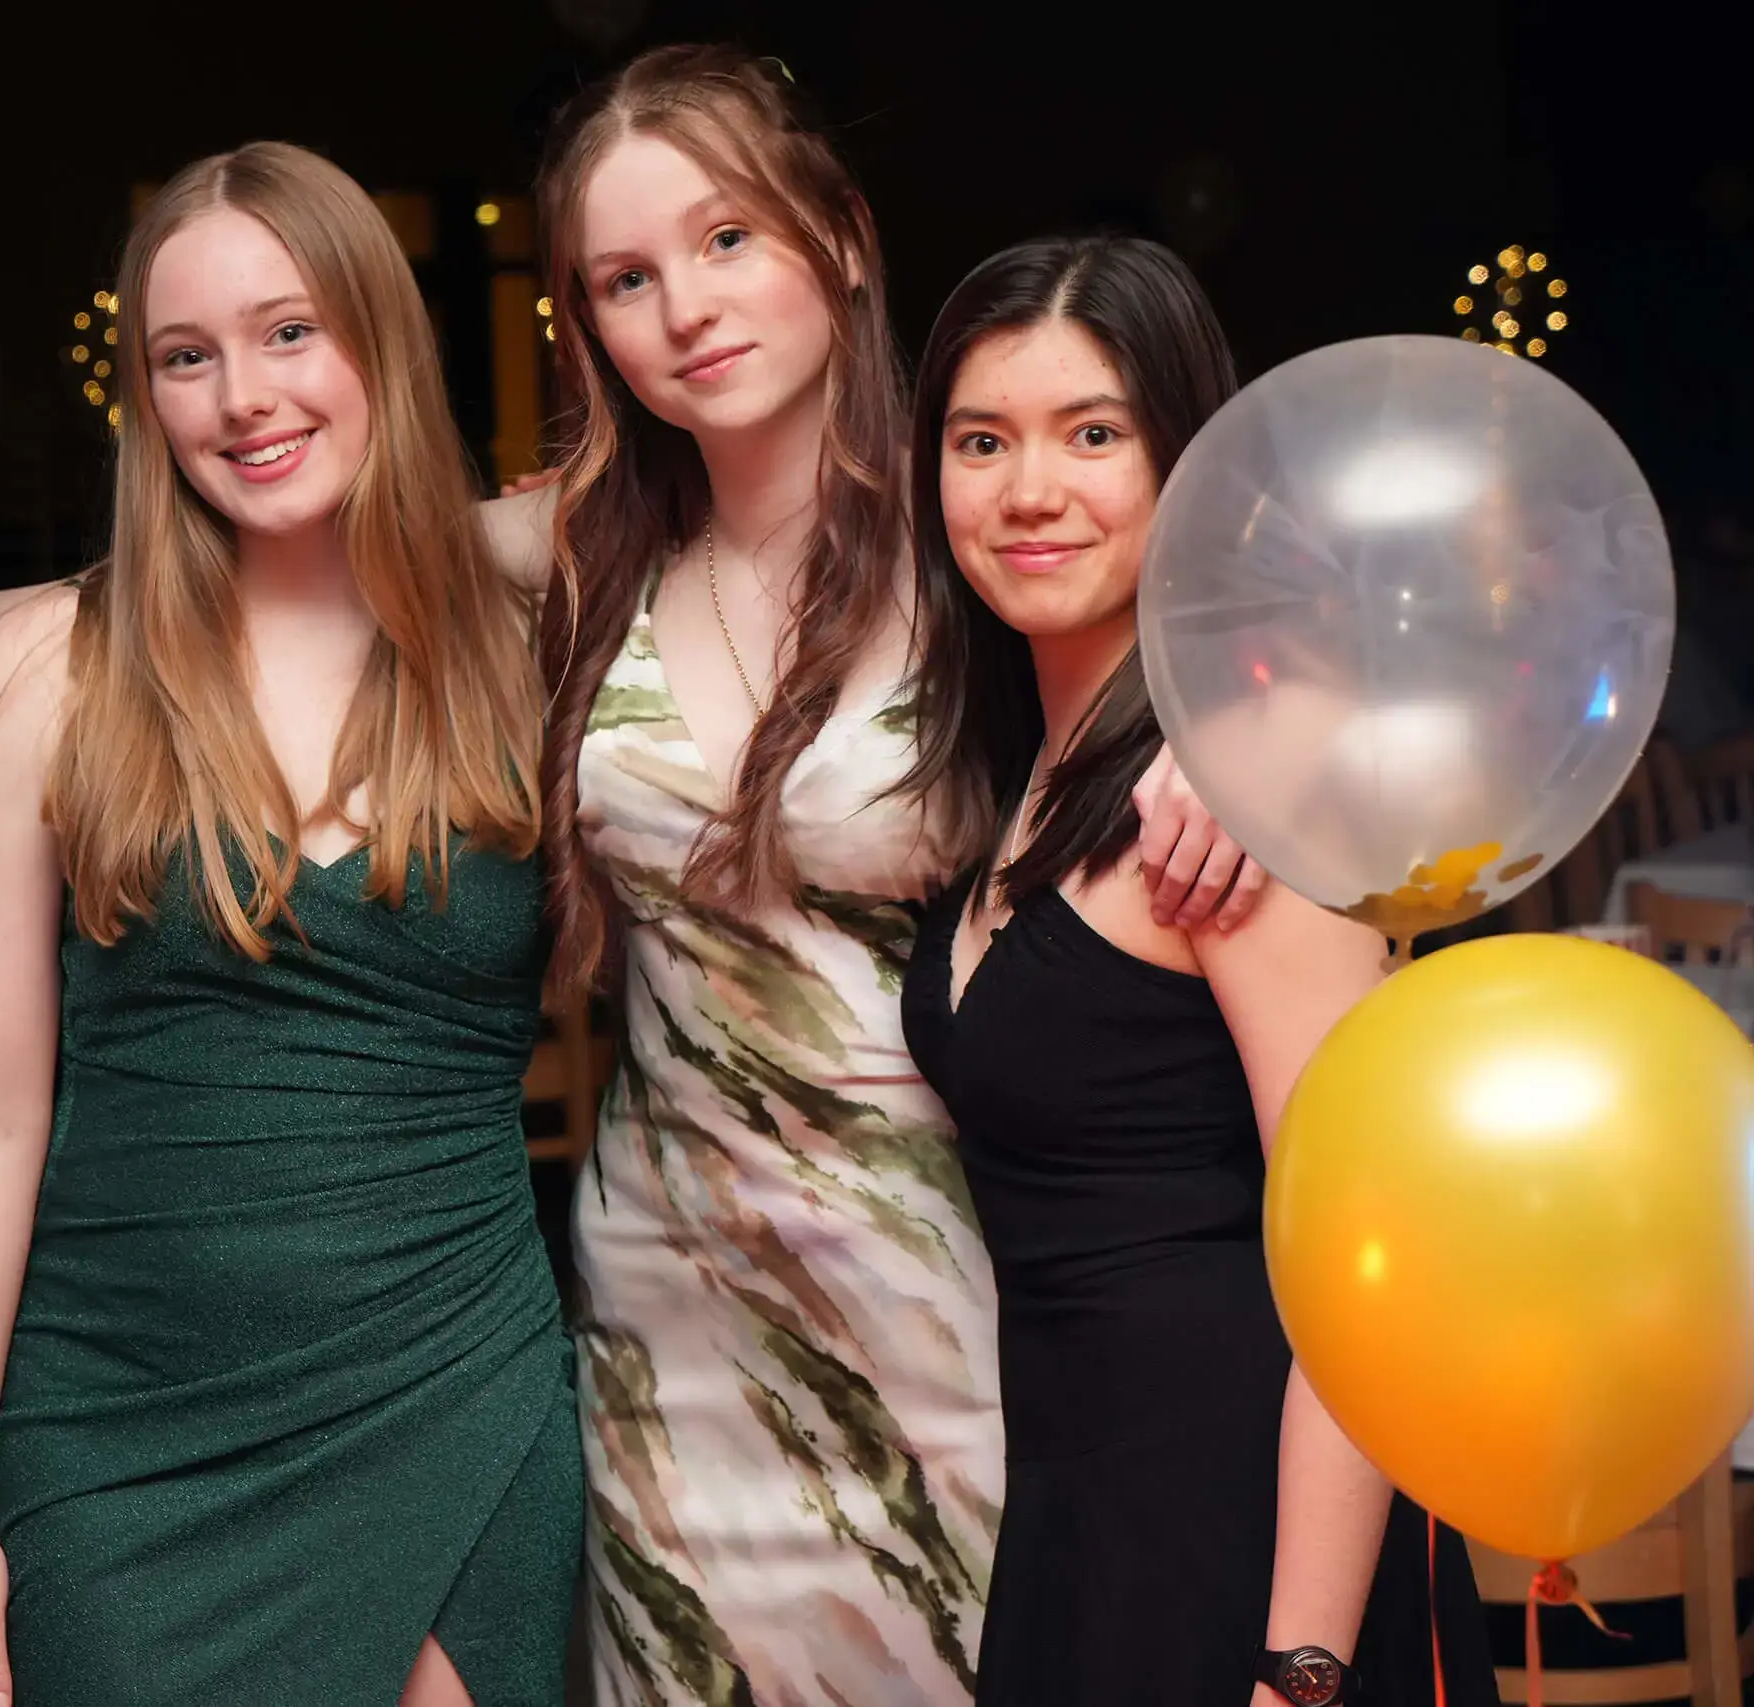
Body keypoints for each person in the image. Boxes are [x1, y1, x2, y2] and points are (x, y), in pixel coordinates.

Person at [529, 47, 1265, 1706]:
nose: (685, 310)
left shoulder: (987, 533)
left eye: (727, 240)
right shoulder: (580, 562)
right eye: (625, 280)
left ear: (842, 237)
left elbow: (1275, 591)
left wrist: (1241, 717)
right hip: (667, 1301)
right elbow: (294, 570)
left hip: (944, 1283)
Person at [0, 142, 579, 1707]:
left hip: (456, 1394)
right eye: (185, 358)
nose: (242, 397)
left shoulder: (528, 639)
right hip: (116, 1437)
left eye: (291, 332)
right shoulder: (52, 671)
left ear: (381, 343)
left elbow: (809, 555)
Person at [895, 235, 1494, 1705]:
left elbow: (1372, 1278)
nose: (1029, 490)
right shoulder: (1029, 770)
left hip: (1253, 1550)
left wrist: (1298, 1670)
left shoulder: (1244, 792)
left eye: (1094, 433)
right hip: (1087, 1527)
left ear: (1195, 469)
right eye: (982, 441)